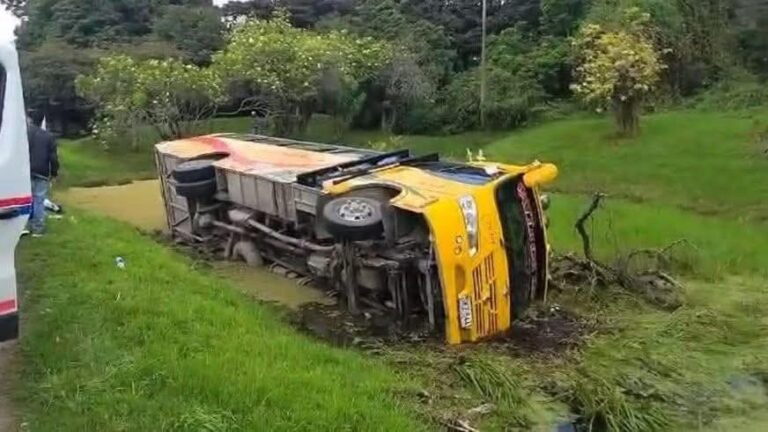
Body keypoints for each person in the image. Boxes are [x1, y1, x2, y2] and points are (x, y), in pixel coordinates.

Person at [26, 114, 59, 237]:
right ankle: (38, 228)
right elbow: (53, 157)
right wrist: (54, 173)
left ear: (30, 119)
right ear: (42, 121)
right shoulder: (48, 136)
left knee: (25, 199)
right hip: (42, 171)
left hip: (26, 170)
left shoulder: (24, 134)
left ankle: (24, 226)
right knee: (39, 200)